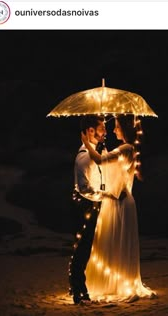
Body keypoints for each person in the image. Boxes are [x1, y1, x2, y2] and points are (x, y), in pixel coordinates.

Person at [81, 114, 156, 302]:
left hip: (120, 202)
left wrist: (86, 143)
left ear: (125, 129)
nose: (114, 130)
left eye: (117, 127)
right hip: (117, 200)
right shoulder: (125, 149)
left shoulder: (126, 148)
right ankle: (116, 281)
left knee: (114, 241)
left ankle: (118, 283)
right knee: (114, 241)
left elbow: (100, 160)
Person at [69, 115, 108, 305]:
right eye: (102, 129)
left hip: (92, 204)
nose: (105, 133)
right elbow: (85, 188)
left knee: (86, 248)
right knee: (82, 248)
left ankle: (80, 287)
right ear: (91, 131)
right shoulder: (84, 158)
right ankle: (77, 288)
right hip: (86, 205)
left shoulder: (95, 153)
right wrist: (103, 194)